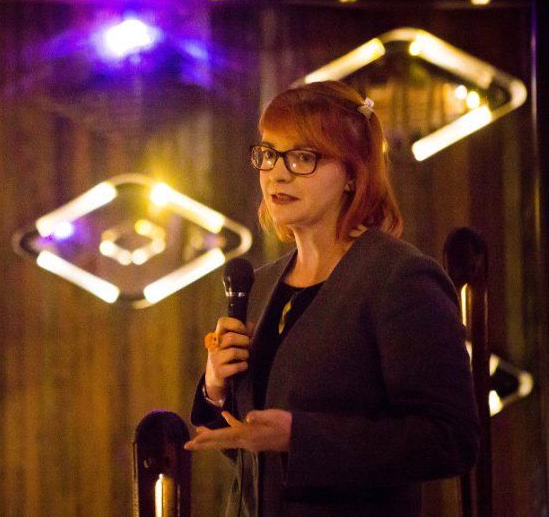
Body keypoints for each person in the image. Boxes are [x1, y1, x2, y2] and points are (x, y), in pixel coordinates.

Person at [184, 80, 480, 516]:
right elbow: (253, 458)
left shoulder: (398, 278)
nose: (277, 173)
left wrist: (300, 437)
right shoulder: (262, 285)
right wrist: (215, 389)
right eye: (268, 154)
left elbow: (450, 440)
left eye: (303, 157)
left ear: (353, 175)